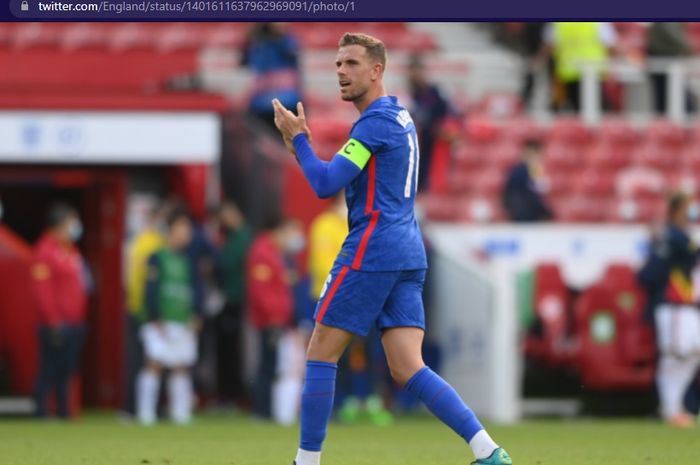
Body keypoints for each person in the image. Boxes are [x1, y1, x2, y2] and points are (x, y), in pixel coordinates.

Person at [272, 32, 512, 465]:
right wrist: (301, 149)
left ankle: (305, 463)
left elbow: (326, 183)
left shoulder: (375, 122)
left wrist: (301, 140)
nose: (342, 72)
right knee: (407, 366)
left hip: (374, 247)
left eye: (352, 64)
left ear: (377, 69)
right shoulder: (401, 117)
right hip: (408, 249)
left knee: (321, 349)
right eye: (338, 65)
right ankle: (488, 451)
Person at [136, 207, 202, 425]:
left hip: (183, 321)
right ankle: (145, 414)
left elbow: (196, 289)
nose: (187, 233)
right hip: (160, 322)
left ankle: (180, 414)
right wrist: (155, 317)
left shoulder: (189, 260)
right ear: (170, 230)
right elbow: (150, 288)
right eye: (182, 228)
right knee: (154, 363)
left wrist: (196, 314)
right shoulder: (156, 257)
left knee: (181, 365)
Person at [644, 192, 700, 427]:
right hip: (674, 303)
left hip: (684, 303)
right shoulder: (674, 236)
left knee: (692, 352)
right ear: (678, 210)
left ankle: (673, 406)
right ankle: (670, 408)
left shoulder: (673, 235)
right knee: (674, 356)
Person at [32, 202, 88, 419]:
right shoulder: (45, 251)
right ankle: (42, 414)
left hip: (75, 323)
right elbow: (42, 291)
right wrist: (53, 320)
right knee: (48, 370)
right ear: (59, 225)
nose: (75, 227)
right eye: (71, 222)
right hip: (54, 324)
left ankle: (66, 413)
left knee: (67, 371)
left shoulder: (71, 251)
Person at [246, 216, 303, 419]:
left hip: (280, 320)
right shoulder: (262, 252)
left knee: (275, 365)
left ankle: (271, 411)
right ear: (279, 231)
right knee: (267, 366)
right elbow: (260, 291)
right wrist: (272, 317)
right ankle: (261, 412)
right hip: (269, 321)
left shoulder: (278, 254)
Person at [124, 198, 166, 418]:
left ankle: (138, 408)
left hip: (138, 307)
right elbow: (140, 281)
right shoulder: (150, 244)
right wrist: (148, 311)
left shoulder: (140, 242)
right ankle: (137, 409)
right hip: (144, 311)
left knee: (144, 360)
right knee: (145, 361)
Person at [216, 199, 253, 405]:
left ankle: (234, 395)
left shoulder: (243, 237)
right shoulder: (228, 237)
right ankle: (227, 394)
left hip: (239, 300)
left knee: (236, 351)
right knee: (225, 350)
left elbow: (228, 264)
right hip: (227, 300)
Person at [540, 22, 617, 112]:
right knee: (594, 106)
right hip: (593, 72)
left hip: (568, 72)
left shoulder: (559, 23)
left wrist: (540, 60)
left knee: (574, 108)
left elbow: (549, 45)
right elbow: (611, 45)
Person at [241, 23, 302, 132]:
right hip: (260, 102)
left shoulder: (286, 40)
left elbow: (293, 53)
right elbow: (243, 60)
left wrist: (278, 33)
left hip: (286, 100)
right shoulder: (257, 43)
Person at [406, 55, 449, 192]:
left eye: (416, 70)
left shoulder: (434, 92)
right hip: (420, 140)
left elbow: (446, 113)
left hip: (435, 140)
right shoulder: (413, 94)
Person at [646, 23, 696, 116]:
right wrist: (688, 48)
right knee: (665, 101)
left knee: (664, 100)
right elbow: (673, 34)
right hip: (663, 59)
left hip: (667, 59)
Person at [501, 138, 553, 222]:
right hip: (522, 213)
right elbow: (514, 195)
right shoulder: (518, 171)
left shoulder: (536, 171)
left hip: (532, 213)